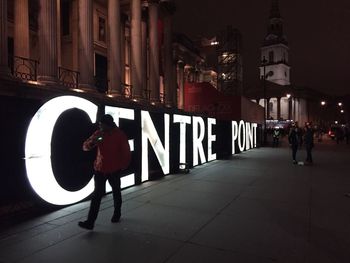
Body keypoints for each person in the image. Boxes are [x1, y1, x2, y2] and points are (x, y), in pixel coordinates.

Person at [78, 114, 131, 230]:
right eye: (100, 125)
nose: (100, 126)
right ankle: (90, 222)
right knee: (97, 196)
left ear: (108, 124)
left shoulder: (119, 134)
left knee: (116, 192)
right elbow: (85, 147)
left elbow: (126, 151)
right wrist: (93, 142)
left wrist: (123, 165)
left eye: (102, 125)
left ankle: (117, 213)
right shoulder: (99, 134)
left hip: (114, 170)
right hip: (100, 169)